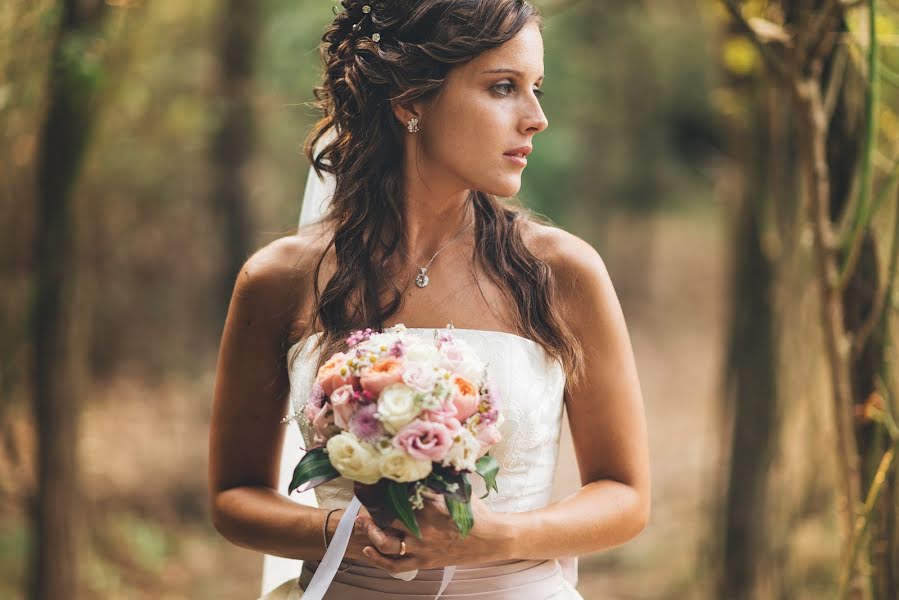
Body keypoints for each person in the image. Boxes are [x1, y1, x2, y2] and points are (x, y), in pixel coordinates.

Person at [208, 0, 651, 598]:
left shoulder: (562, 271)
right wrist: (343, 528)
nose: (536, 118)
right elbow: (233, 497)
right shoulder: (279, 278)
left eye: (536, 88)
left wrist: (502, 536)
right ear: (410, 99)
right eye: (503, 87)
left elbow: (625, 495)